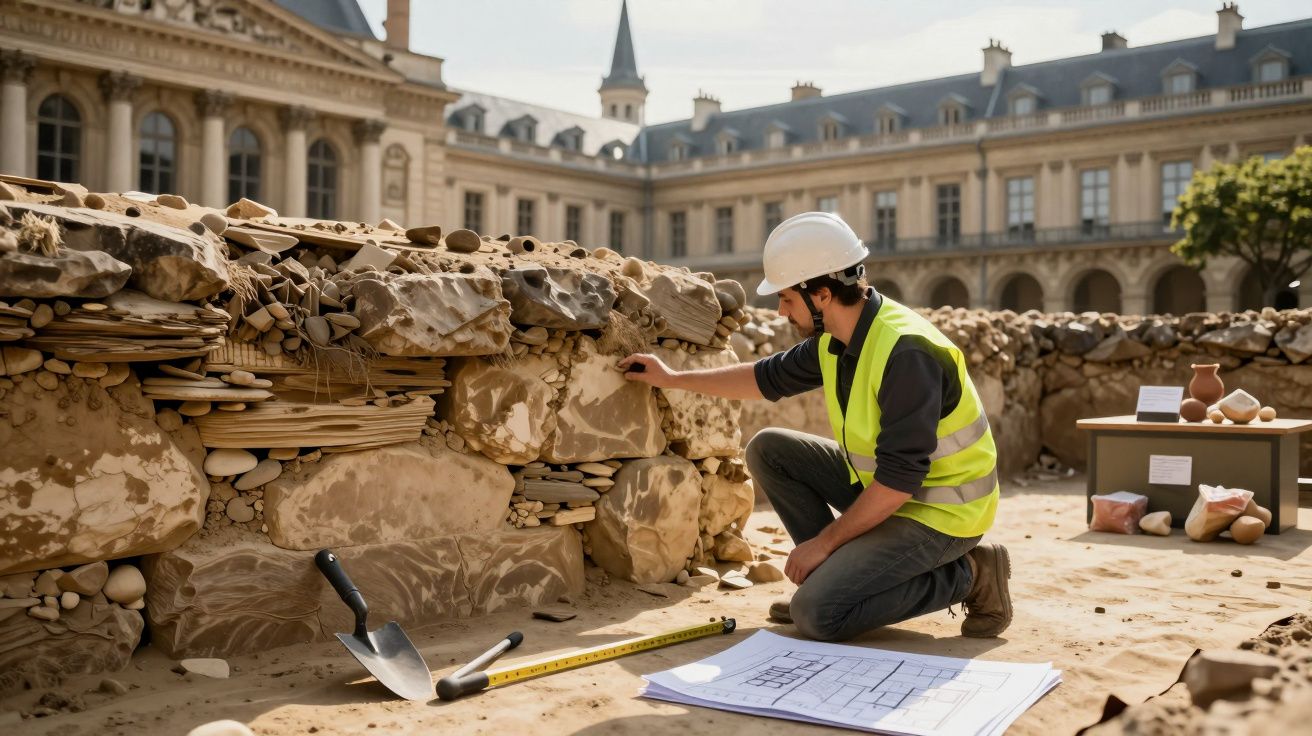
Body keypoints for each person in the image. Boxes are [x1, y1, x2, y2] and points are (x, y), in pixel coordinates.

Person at [619, 211, 1012, 642]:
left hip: (944, 513)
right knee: (770, 449)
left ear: (822, 294)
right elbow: (762, 378)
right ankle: (830, 582)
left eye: (787, 298)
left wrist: (823, 544)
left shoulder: (906, 353)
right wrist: (672, 378)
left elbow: (899, 481)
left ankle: (972, 574)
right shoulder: (837, 339)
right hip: (892, 494)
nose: (781, 311)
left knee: (818, 616)